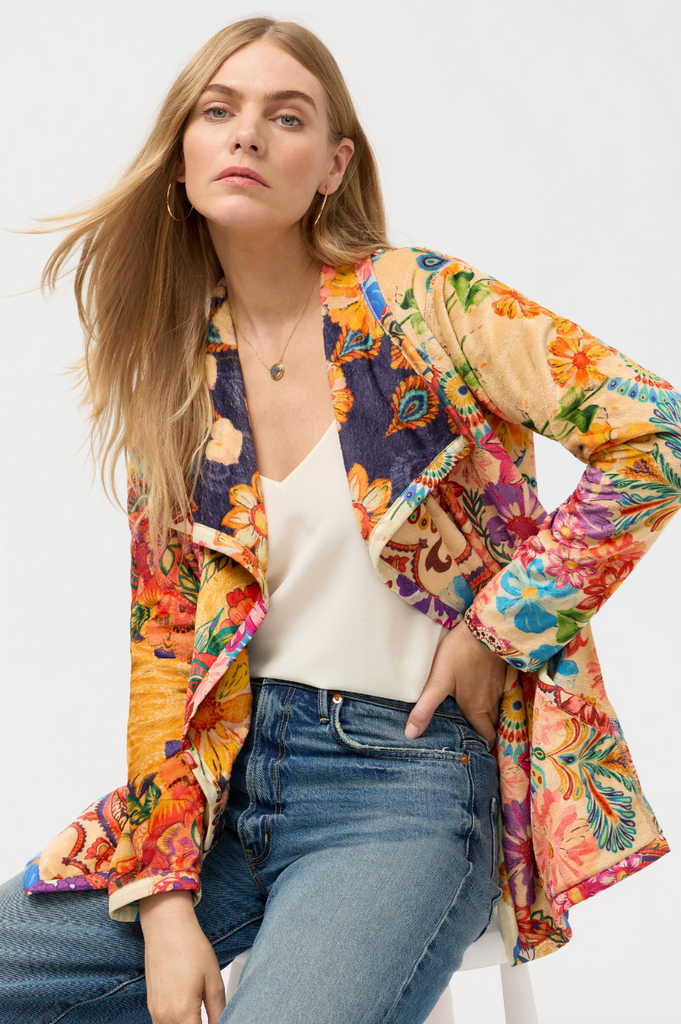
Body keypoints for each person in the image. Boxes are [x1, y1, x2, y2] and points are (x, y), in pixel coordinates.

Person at [0, 14, 679, 1024]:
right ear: (182, 153)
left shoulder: (421, 304)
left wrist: (501, 623)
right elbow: (166, 655)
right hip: (228, 788)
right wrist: (168, 900)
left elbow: (657, 434)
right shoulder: (179, 376)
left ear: (333, 165)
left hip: (405, 786)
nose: (246, 133)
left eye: (287, 117)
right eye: (218, 111)